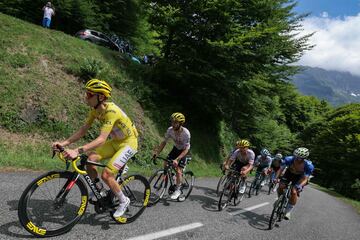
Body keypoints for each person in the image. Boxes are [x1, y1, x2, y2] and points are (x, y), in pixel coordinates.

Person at [52, 79, 139, 218]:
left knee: (106, 174)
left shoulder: (111, 111)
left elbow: (101, 139)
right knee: (90, 160)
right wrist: (64, 143)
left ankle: (124, 200)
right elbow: (83, 130)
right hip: (116, 141)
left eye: (89, 94)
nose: (85, 97)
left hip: (129, 143)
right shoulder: (95, 111)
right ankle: (99, 190)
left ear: (101, 97)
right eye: (86, 93)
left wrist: (77, 150)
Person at [153, 112, 191, 200]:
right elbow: (164, 142)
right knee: (166, 163)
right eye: (172, 122)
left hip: (184, 151)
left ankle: (178, 189)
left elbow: (186, 149)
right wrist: (157, 153)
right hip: (176, 149)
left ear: (180, 124)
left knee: (178, 170)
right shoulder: (170, 130)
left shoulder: (186, 133)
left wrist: (177, 159)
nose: (173, 124)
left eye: (175, 122)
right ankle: (171, 177)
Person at [274, 147, 314, 220]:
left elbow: (305, 179)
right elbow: (280, 169)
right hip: (289, 174)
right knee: (281, 186)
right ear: (295, 155)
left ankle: (288, 211)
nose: (298, 159)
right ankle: (279, 199)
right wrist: (276, 178)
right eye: (297, 157)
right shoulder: (289, 159)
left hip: (299, 178)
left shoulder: (308, 165)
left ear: (305, 158)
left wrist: (300, 186)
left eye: (301, 158)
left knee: (294, 192)